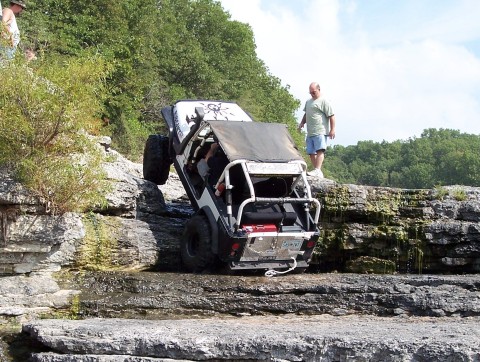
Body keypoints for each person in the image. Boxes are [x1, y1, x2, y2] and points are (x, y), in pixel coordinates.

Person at [297, 82, 336, 178]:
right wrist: (302, 123)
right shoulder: (308, 102)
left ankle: (318, 170)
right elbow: (306, 114)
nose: (312, 94)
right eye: (310, 93)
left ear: (319, 90)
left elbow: (331, 115)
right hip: (310, 132)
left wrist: (332, 129)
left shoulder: (324, 101)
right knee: (311, 152)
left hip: (320, 131)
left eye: (313, 92)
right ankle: (316, 171)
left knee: (320, 150)